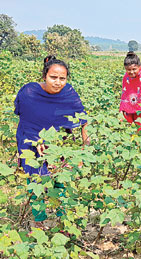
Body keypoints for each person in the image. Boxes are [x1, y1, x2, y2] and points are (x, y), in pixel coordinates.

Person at [14, 55, 88, 224]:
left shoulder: (68, 93)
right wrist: (37, 141)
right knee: (36, 180)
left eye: (62, 78)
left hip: (58, 143)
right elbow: (25, 120)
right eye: (53, 77)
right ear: (44, 76)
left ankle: (63, 221)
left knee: (60, 180)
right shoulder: (29, 92)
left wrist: (85, 146)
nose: (58, 82)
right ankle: (39, 222)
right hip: (31, 143)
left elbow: (83, 119)